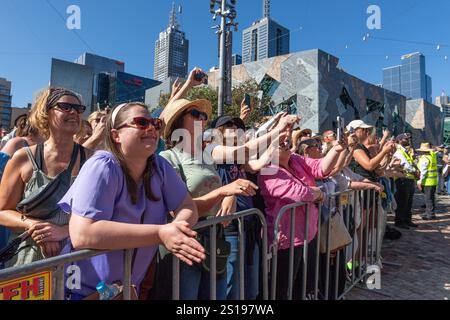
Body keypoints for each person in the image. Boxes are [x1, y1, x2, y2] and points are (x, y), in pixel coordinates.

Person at [58, 102, 205, 299]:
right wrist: (161, 232)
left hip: (126, 290)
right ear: (115, 135)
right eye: (142, 122)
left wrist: (178, 227)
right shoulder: (101, 166)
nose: (152, 128)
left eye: (156, 123)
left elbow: (186, 204)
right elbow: (82, 233)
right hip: (82, 291)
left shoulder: (159, 166)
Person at [0, 87, 88, 267]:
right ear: (45, 113)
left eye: (79, 109)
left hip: (77, 261)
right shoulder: (23, 157)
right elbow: (2, 211)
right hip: (27, 261)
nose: (74, 112)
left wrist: (63, 231)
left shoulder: (93, 160)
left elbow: (104, 214)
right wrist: (36, 227)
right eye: (65, 106)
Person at [258, 124, 345, 300]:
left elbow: (320, 168)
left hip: (309, 233)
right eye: (279, 139)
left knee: (304, 284)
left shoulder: (295, 159)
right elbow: (298, 193)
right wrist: (317, 193)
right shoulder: (268, 169)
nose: (286, 140)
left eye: (287, 138)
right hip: (287, 238)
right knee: (282, 287)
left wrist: (336, 149)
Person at [392, 133, 419, 229]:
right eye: (406, 139)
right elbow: (405, 164)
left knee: (408, 202)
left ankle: (407, 220)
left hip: (409, 179)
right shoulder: (399, 152)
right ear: (399, 140)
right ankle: (400, 221)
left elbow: (410, 163)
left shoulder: (406, 151)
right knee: (402, 201)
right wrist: (415, 171)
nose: (408, 140)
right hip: (403, 179)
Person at [416, 143, 438, 220]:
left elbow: (423, 171)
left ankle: (430, 214)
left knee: (428, 199)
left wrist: (419, 181)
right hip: (433, 181)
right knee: (431, 198)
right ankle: (429, 212)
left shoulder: (424, 158)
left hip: (427, 181)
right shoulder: (432, 156)